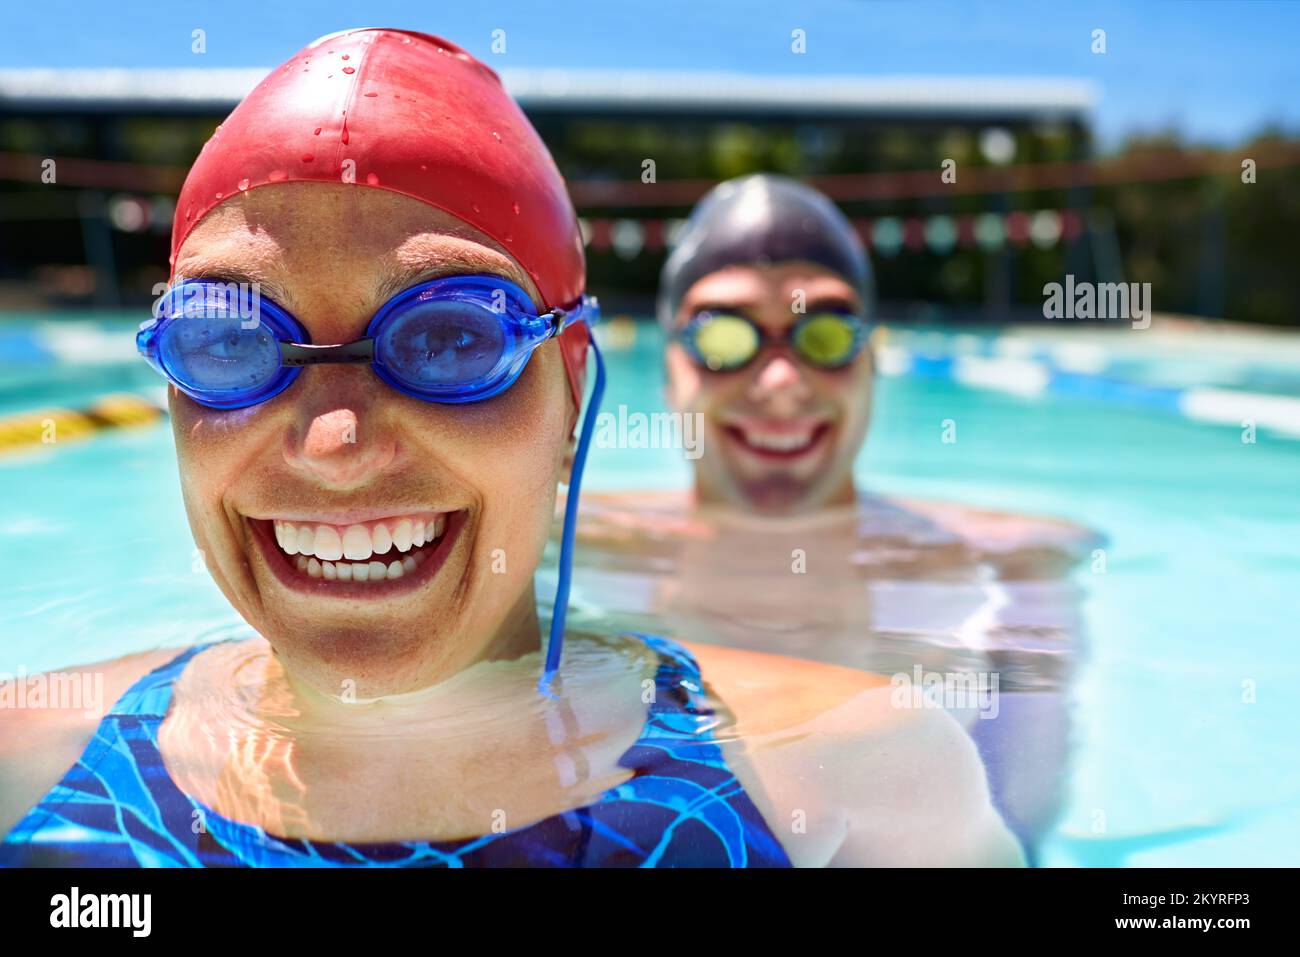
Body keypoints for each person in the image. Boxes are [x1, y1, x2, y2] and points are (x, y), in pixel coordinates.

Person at [0, 31, 1020, 868]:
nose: (331, 444)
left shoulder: (853, 769)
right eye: (227, 341)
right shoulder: (25, 766)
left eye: (448, 337)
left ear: (572, 392)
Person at [571, 174, 1098, 857]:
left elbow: (1016, 829)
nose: (781, 383)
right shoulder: (569, 537)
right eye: (725, 337)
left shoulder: (1013, 557)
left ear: (871, 359)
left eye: (824, 333)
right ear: (670, 366)